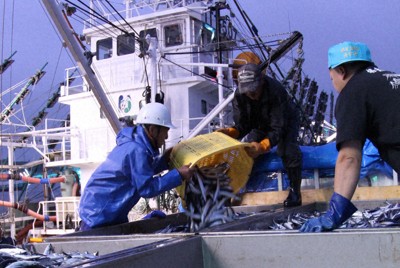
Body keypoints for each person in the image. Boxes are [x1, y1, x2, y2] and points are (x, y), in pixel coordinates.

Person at [300, 41, 400, 232]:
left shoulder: (352, 92)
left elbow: (349, 157)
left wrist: (336, 211)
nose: (334, 84)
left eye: (331, 78)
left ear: (342, 71)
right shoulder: (392, 79)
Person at [79, 102, 195, 230]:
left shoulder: (135, 145)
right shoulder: (136, 150)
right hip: (98, 219)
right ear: (152, 130)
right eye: (165, 132)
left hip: (105, 215)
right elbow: (147, 188)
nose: (166, 137)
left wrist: (164, 161)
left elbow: (140, 172)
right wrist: (178, 174)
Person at [218, 63, 303, 207]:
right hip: (260, 124)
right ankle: (228, 194)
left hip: (286, 121)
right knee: (244, 152)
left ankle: (296, 193)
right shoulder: (240, 96)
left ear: (261, 81)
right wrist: (230, 132)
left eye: (254, 90)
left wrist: (263, 146)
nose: (251, 95)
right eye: (247, 91)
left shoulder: (277, 92)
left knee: (288, 150)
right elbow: (243, 125)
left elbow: (279, 128)